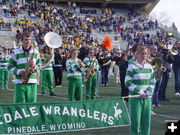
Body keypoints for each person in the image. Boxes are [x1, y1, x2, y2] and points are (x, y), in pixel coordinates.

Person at [125, 46, 156, 135]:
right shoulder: (132, 67)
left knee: (146, 122)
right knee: (135, 122)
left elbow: (152, 81)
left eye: (145, 54)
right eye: (141, 53)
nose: (144, 55)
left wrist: (148, 92)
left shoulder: (149, 66)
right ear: (137, 54)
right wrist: (140, 92)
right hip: (135, 98)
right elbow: (128, 82)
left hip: (147, 98)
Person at [8, 32, 40, 103]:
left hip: (32, 82)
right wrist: (19, 71)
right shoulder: (15, 52)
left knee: (32, 104)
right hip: (20, 82)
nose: (28, 41)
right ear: (21, 41)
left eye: (29, 40)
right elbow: (9, 66)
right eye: (26, 39)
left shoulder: (36, 52)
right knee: (20, 104)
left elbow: (39, 66)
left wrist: (34, 66)